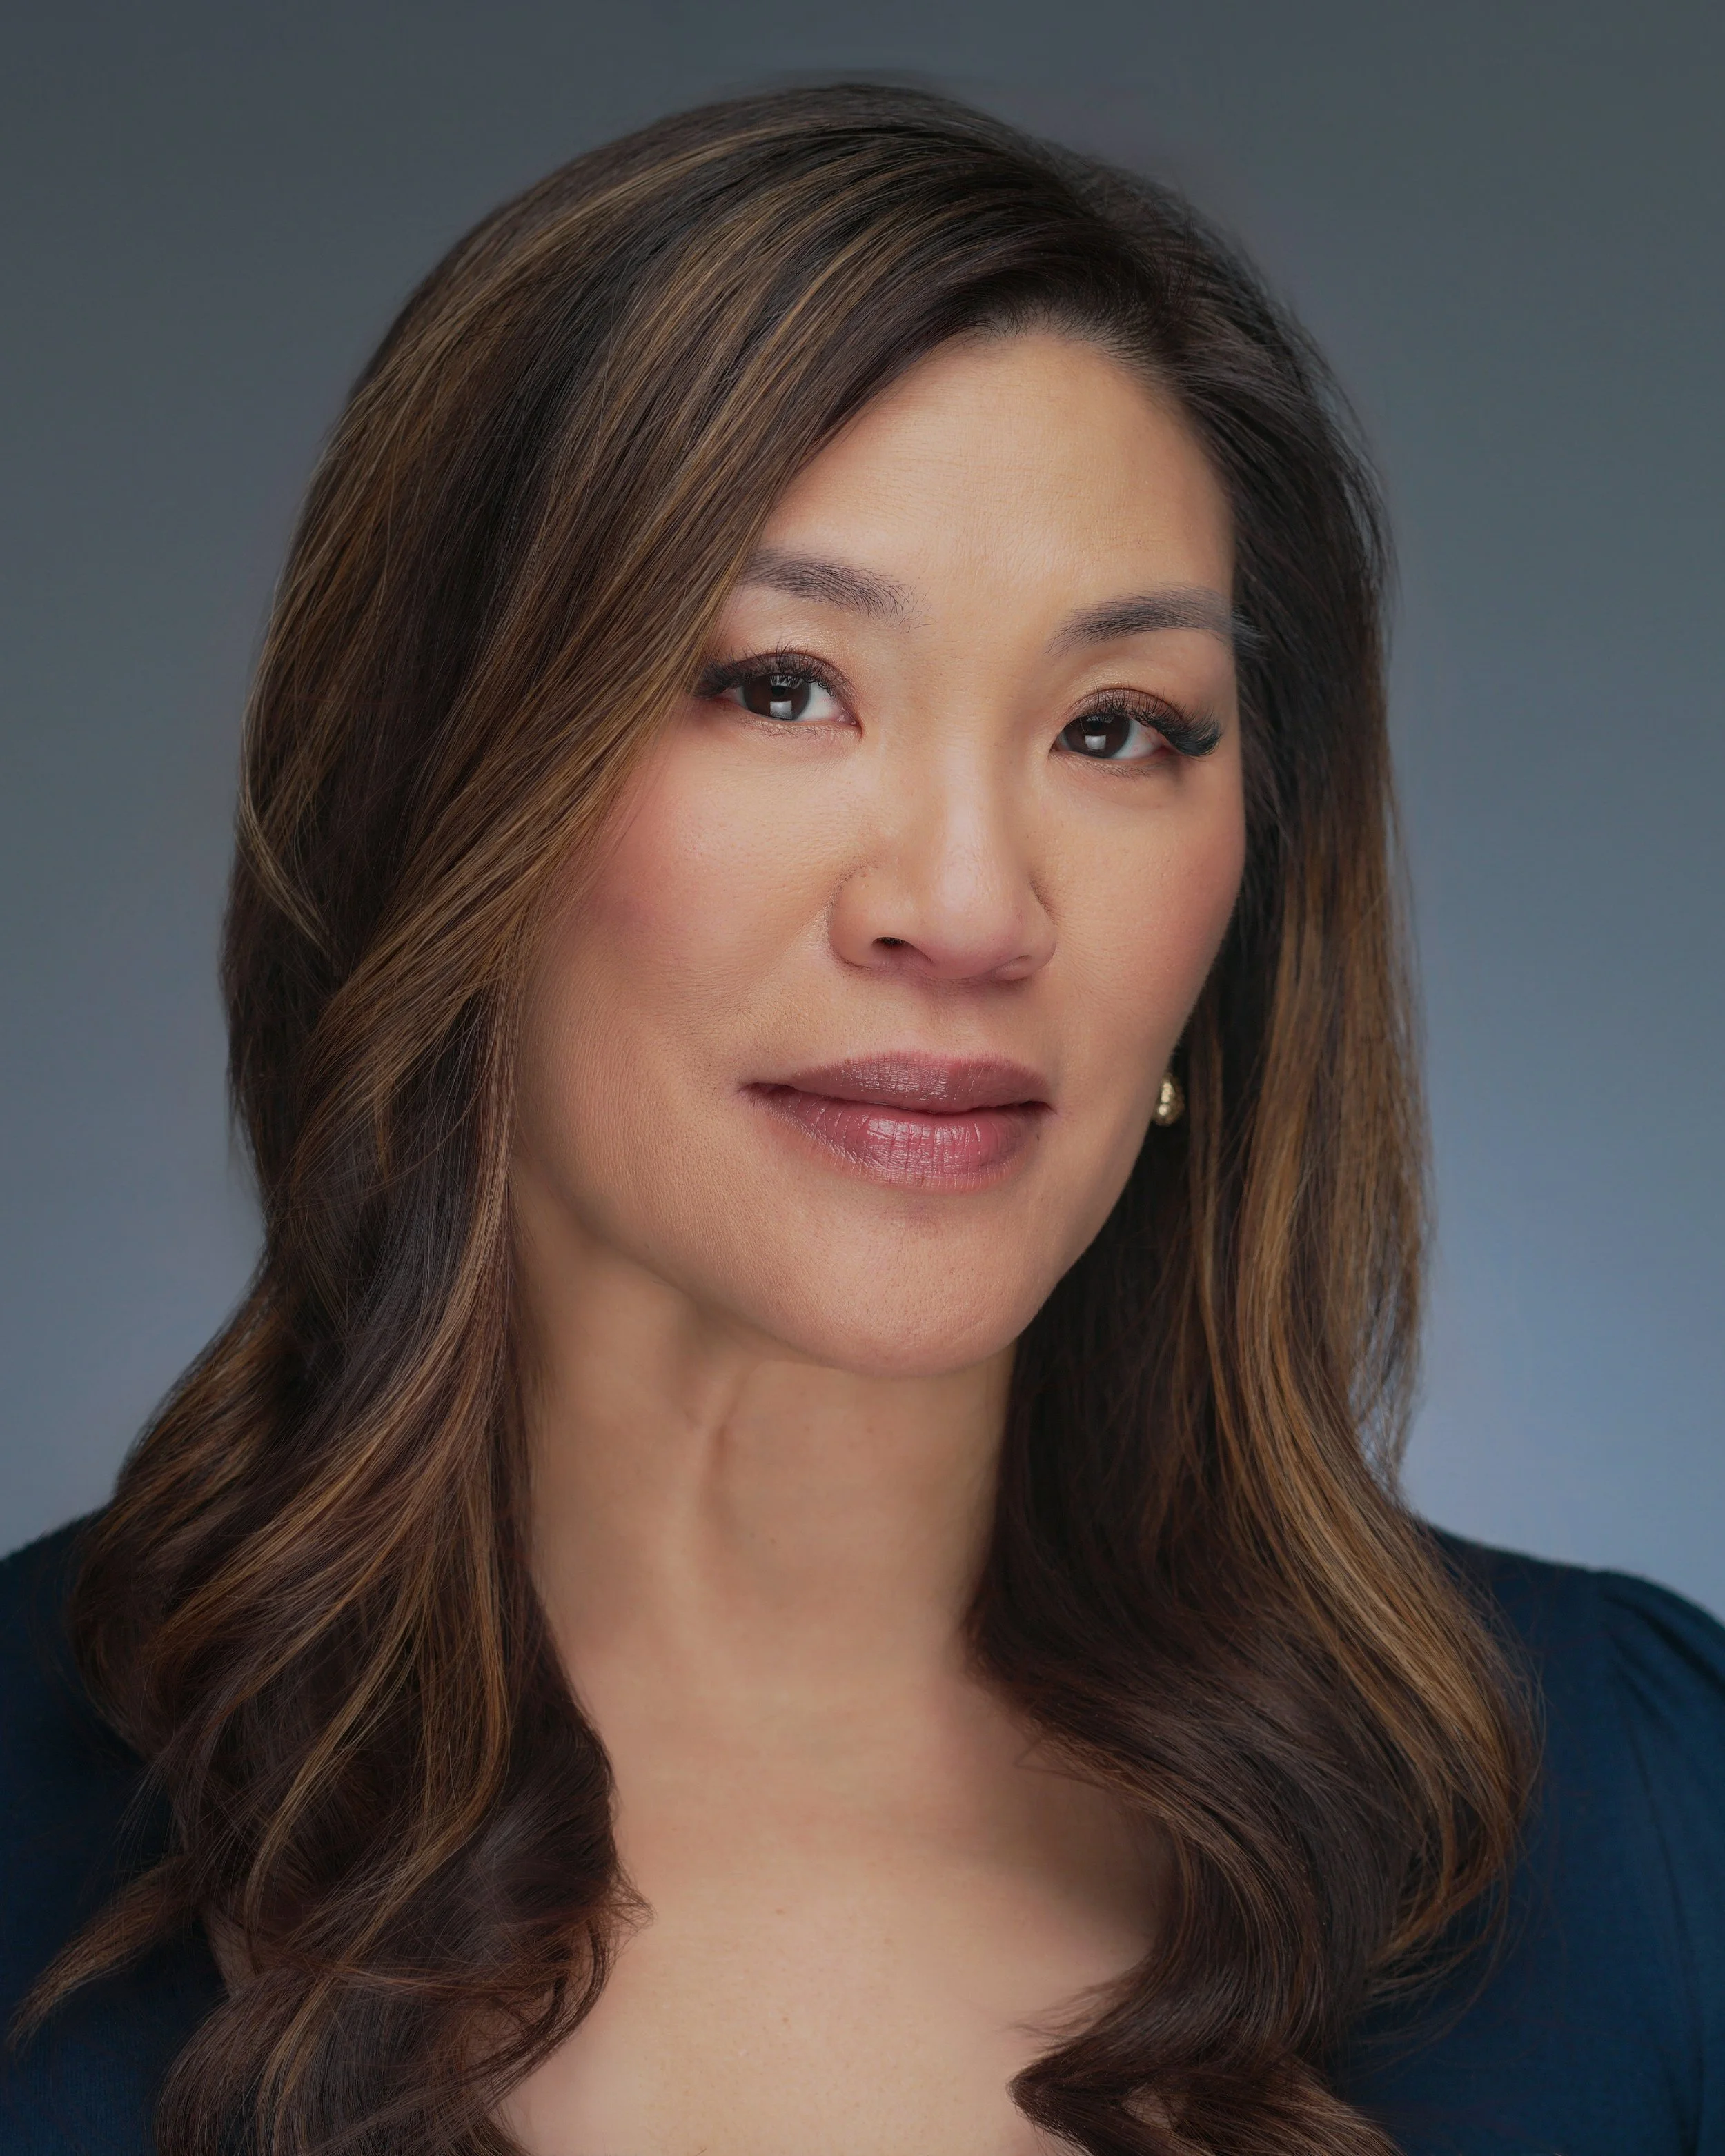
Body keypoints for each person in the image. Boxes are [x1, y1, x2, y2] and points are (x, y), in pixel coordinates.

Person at [2, 81, 1721, 2156]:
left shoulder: (1648, 1822)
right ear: (443, 792)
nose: (973, 909)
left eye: (1117, 726)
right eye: (781, 685)